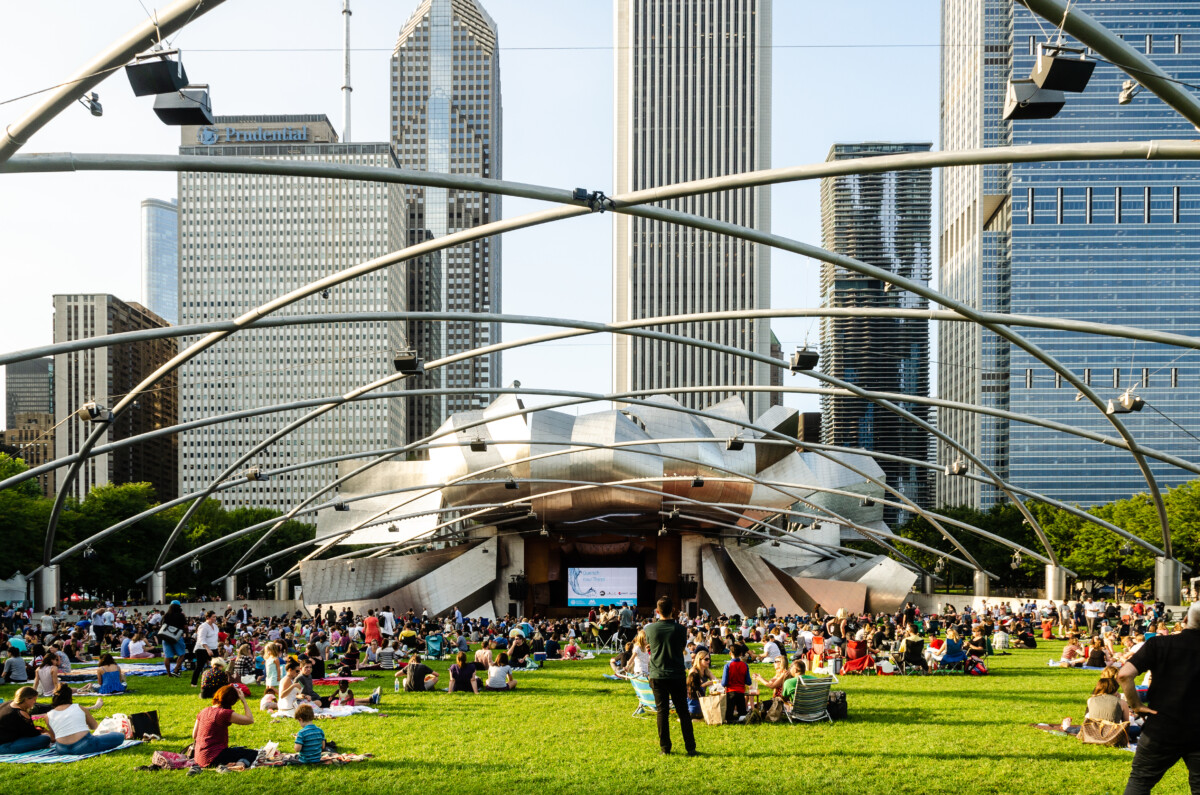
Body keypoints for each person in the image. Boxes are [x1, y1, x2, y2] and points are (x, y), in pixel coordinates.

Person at [1116, 603, 1200, 793]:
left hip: (1162, 726)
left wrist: (1136, 705)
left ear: (1185, 620)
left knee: (1140, 782)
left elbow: (1124, 675)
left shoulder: (1159, 644)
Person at [644, 595, 696, 756]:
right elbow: (681, 647)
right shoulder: (681, 629)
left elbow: (651, 646)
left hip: (657, 674)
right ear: (673, 610)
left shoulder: (650, 629)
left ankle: (665, 748)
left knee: (662, 712)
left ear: (657, 611)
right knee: (683, 711)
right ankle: (690, 747)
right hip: (676, 674)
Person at [45, 685, 124, 756]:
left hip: (62, 750)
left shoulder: (48, 716)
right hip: (85, 745)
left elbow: (54, 737)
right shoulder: (78, 707)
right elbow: (94, 726)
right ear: (70, 696)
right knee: (119, 736)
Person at [192, 685, 256, 768]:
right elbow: (250, 719)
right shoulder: (223, 713)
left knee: (237, 750)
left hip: (199, 758)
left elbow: (194, 735)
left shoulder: (204, 711)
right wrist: (244, 700)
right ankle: (239, 764)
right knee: (253, 753)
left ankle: (230, 763)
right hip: (214, 757)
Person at [0, 686, 54, 755]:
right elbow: (32, 734)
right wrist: (45, 732)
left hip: (5, 739)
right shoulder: (20, 714)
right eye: (34, 699)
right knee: (45, 739)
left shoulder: (6, 704)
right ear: (26, 699)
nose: (35, 702)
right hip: (5, 746)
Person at [191, 611, 220, 687]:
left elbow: (215, 638)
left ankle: (216, 681)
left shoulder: (215, 626)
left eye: (215, 617)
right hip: (202, 649)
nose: (215, 618)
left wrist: (217, 647)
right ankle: (193, 683)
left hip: (213, 648)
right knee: (200, 666)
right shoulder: (203, 626)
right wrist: (208, 649)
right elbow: (201, 639)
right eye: (213, 617)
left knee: (218, 665)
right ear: (208, 618)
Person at [685, 651, 716, 720]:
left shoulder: (706, 670)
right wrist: (706, 684)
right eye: (706, 659)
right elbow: (692, 688)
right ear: (699, 660)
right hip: (694, 699)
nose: (709, 661)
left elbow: (715, 680)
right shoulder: (694, 671)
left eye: (709, 659)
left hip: (701, 699)